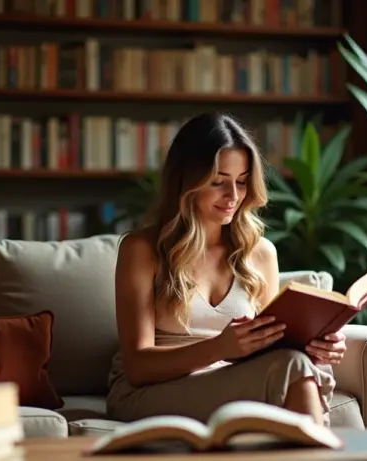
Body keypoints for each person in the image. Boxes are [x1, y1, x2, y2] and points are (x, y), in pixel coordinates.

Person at [106, 112, 347, 426]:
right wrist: (219, 347)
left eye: (242, 182)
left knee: (298, 362)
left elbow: (272, 347)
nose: (233, 196)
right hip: (150, 390)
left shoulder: (260, 254)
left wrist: (318, 346)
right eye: (219, 182)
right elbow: (138, 367)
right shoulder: (142, 249)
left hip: (230, 381)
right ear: (186, 182)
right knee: (293, 369)